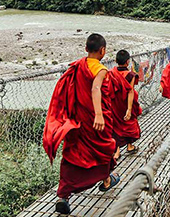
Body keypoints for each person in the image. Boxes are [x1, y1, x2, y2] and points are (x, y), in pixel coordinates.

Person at [41, 33, 120, 214]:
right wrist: (99, 114)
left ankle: (64, 196)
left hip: (78, 121)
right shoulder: (100, 70)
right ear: (103, 51)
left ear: (86, 49)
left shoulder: (78, 67)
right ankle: (106, 180)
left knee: (72, 155)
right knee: (105, 148)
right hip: (95, 121)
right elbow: (96, 88)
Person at [108, 49, 142, 160]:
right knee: (130, 123)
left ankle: (117, 151)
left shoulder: (111, 73)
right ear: (128, 62)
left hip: (115, 104)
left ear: (116, 60)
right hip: (126, 103)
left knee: (116, 126)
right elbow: (130, 91)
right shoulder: (130, 75)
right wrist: (129, 109)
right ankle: (130, 146)